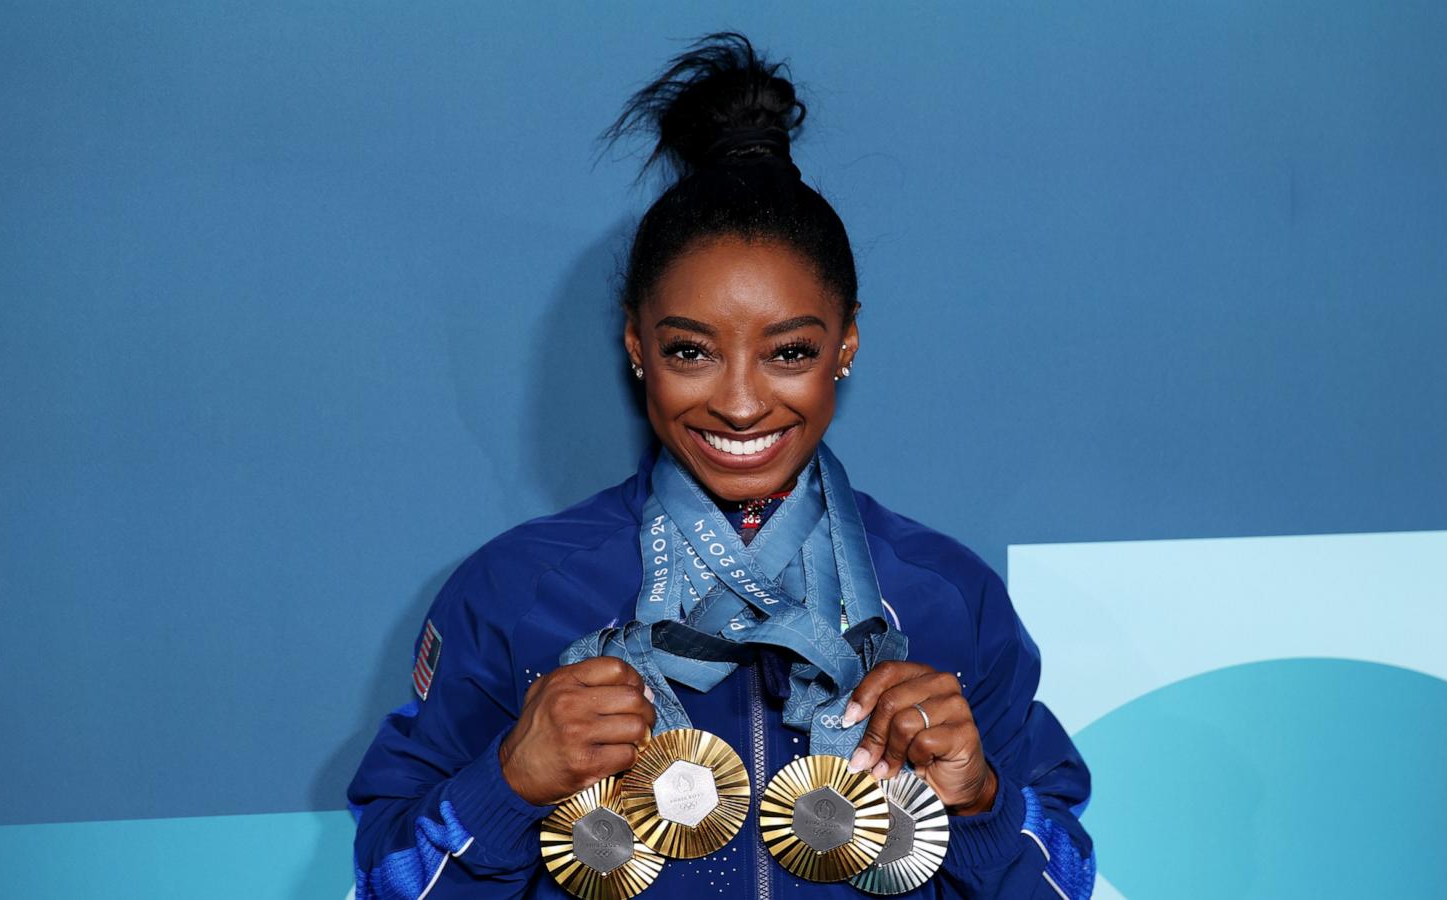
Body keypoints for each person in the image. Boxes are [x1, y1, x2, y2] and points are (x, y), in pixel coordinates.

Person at [348, 33, 1094, 900]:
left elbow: (1066, 882)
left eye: (789, 353)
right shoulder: (515, 592)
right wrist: (504, 785)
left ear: (844, 344)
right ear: (637, 346)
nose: (740, 405)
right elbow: (383, 881)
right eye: (692, 351)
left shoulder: (945, 598)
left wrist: (982, 802)